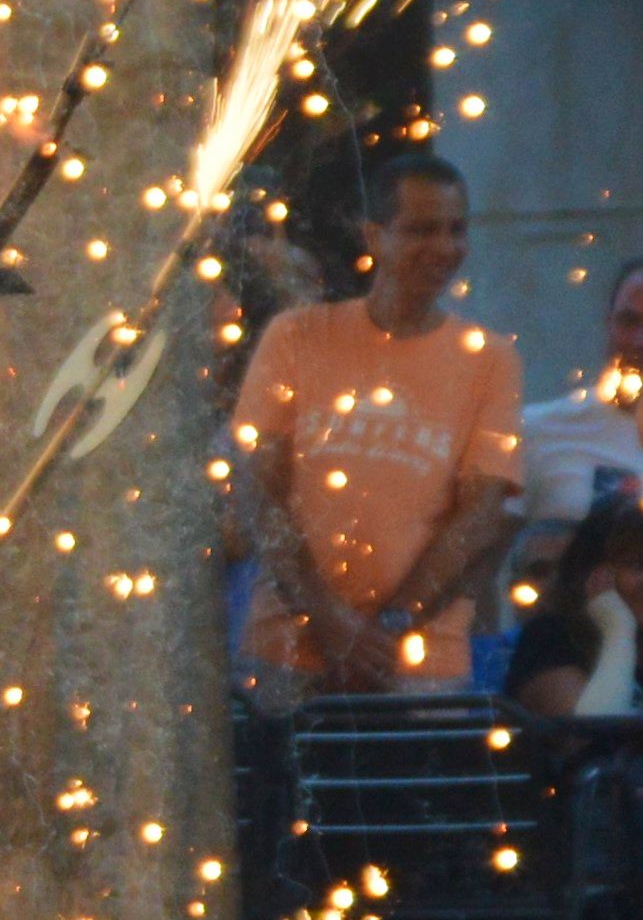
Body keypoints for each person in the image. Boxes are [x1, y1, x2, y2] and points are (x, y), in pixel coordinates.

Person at [231, 151, 524, 699]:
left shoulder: (490, 360)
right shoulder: (297, 337)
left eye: (455, 231)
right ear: (375, 237)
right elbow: (258, 490)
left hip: (419, 664)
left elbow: (479, 515)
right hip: (287, 651)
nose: (444, 249)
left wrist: (386, 629)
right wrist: (329, 620)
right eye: (420, 231)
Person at [510, 256, 643, 582]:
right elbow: (483, 561)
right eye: (630, 322)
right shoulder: (540, 430)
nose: (640, 341)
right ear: (609, 323)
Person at [505, 499, 643, 719]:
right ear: (593, 573)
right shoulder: (549, 637)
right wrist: (618, 629)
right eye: (636, 565)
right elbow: (585, 733)